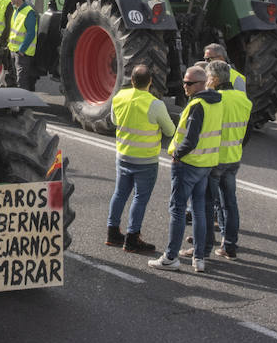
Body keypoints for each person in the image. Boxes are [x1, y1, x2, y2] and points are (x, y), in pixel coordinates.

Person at [149, 63, 224, 273]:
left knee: (177, 210)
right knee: (199, 210)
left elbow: (190, 139)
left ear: (201, 83)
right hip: (206, 164)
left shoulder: (197, 105)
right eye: (183, 81)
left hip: (188, 164)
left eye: (189, 83)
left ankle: (170, 257)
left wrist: (176, 154)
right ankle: (199, 258)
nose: (184, 86)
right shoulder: (217, 103)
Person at [106, 63, 177, 254]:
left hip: (123, 155)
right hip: (145, 161)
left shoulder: (119, 97)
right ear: (151, 82)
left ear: (132, 80)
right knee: (140, 198)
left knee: (120, 193)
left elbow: (114, 121)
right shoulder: (155, 104)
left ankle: (112, 232)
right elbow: (171, 130)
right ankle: (132, 237)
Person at [210, 68, 252, 259]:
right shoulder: (243, 100)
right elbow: (247, 131)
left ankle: (203, 244)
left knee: (207, 203)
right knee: (230, 203)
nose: (207, 80)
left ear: (216, 79)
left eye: (209, 77)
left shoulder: (214, 99)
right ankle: (229, 245)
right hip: (234, 157)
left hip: (213, 158)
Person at [5, 0, 39, 89]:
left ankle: (22, 104)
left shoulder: (29, 12)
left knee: (21, 81)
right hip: (14, 51)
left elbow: (31, 33)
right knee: (16, 79)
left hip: (22, 53)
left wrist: (22, 49)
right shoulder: (16, 10)